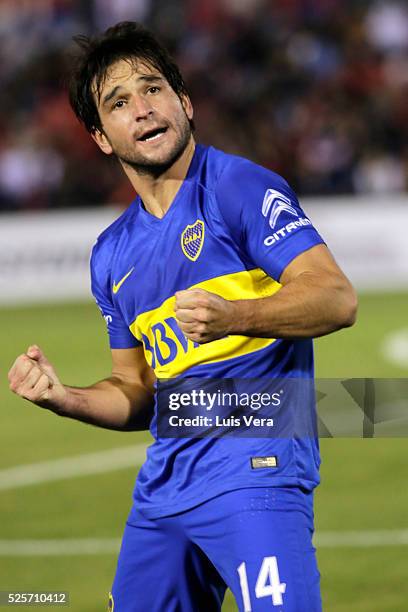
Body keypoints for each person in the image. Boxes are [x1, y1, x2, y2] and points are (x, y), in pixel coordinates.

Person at [8, 21, 357, 612]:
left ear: (185, 102)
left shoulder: (237, 187)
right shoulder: (110, 255)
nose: (142, 110)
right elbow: (137, 393)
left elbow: (335, 297)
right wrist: (62, 397)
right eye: (119, 103)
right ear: (99, 136)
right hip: (163, 493)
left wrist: (238, 315)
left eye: (153, 89)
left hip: (256, 474)